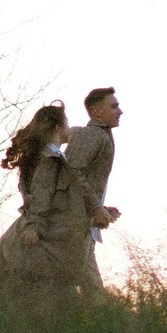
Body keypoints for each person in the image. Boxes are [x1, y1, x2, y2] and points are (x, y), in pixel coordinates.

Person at [0, 101, 90, 311]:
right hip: (44, 234)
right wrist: (35, 225)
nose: (70, 127)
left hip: (31, 228)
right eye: (67, 122)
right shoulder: (50, 158)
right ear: (57, 128)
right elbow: (41, 194)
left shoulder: (41, 156)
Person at [63, 87, 122, 297]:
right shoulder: (92, 134)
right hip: (73, 225)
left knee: (84, 289)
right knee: (92, 293)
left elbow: (81, 177)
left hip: (82, 224)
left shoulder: (100, 135)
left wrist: (101, 207)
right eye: (114, 106)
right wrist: (96, 207)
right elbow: (72, 173)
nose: (120, 111)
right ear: (96, 112)